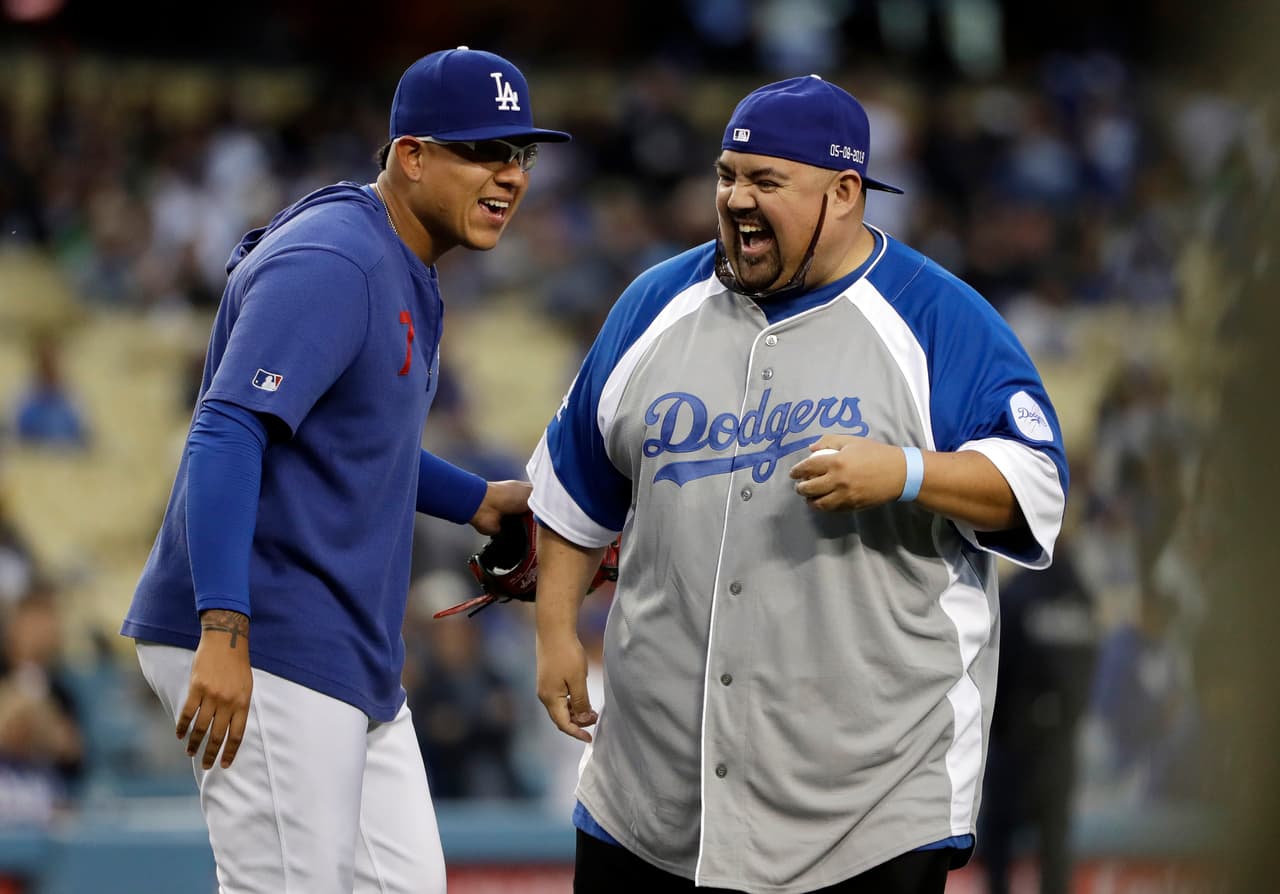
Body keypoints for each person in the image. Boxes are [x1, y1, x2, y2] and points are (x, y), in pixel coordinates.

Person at [529, 75, 1068, 894]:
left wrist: (906, 472)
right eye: (727, 176)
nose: (736, 199)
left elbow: (1036, 486)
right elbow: (574, 487)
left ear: (844, 193)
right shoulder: (655, 304)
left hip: (868, 807)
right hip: (650, 798)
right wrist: (556, 632)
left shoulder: (936, 317)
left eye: (766, 181)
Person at [120, 47, 569, 894]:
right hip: (269, 628)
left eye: (520, 155)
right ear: (413, 156)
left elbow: (353, 438)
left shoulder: (395, 254)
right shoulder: (338, 259)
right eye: (482, 151)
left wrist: (474, 500)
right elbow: (226, 431)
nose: (509, 175)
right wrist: (225, 629)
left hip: (342, 644)